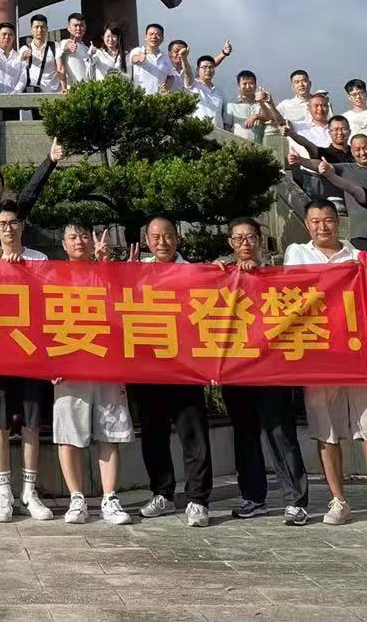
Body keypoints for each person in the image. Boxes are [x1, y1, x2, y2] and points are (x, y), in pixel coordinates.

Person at [283, 200, 367, 530]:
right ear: (307, 224)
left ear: (338, 222)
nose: (322, 226)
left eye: (328, 220)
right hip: (317, 355)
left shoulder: (360, 259)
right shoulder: (297, 254)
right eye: (315, 221)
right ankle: (338, 500)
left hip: (358, 355)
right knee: (325, 431)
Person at [221, 217, 310, 525]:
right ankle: (253, 496)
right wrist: (221, 273)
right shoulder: (220, 276)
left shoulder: (276, 274)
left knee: (280, 432)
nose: (245, 243)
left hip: (271, 368)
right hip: (235, 367)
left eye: (250, 238)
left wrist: (259, 276)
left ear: (259, 241)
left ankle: (295, 499)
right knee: (245, 435)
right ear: (231, 244)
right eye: (238, 239)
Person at [132, 216, 213, 526]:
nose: (161, 242)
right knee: (153, 435)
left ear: (177, 239)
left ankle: (197, 499)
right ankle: (162, 494)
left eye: (167, 236)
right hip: (149, 367)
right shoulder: (138, 273)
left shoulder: (195, 273)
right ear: (147, 241)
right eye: (155, 237)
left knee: (194, 435)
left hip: (186, 367)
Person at [53, 221, 135, 525]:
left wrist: (105, 264)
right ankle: (76, 499)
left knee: (108, 432)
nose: (79, 242)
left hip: (106, 364)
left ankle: (109, 497)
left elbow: (121, 307)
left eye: (84, 236)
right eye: (72, 237)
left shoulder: (106, 272)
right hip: (68, 365)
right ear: (62, 244)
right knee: (68, 434)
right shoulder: (53, 276)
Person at [0, 200, 54, 522]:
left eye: (14, 222)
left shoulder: (39, 259)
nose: (9, 228)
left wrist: (23, 270)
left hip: (31, 353)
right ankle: (4, 493)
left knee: (31, 422)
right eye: (3, 223)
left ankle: (29, 490)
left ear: (21, 226)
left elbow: (47, 302)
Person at [221, 71, 268, 142]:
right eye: (244, 83)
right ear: (238, 85)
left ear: (256, 85)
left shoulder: (262, 102)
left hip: (260, 148)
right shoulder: (231, 104)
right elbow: (226, 128)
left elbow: (273, 118)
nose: (248, 86)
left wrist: (256, 116)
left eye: (251, 83)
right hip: (238, 148)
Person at [128, 23, 176, 94]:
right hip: (141, 98)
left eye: (158, 34)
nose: (154, 37)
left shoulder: (165, 57)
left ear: (162, 38)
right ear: (145, 37)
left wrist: (167, 85)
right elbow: (133, 59)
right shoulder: (138, 51)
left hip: (160, 98)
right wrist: (139, 57)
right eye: (151, 34)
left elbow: (171, 76)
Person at [19, 14, 61, 93]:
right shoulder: (24, 49)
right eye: (36, 27)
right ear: (31, 30)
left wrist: (64, 87)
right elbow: (18, 70)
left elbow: (60, 68)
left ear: (47, 29)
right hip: (33, 93)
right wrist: (23, 58)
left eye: (42, 27)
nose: (39, 30)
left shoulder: (55, 46)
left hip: (53, 92)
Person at [0, 21, 26, 93]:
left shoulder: (19, 57)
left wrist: (15, 93)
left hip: (13, 98)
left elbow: (23, 78)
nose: (7, 37)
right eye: (4, 34)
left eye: (10, 35)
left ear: (14, 37)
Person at [57, 13, 96, 87]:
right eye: (75, 25)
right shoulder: (63, 43)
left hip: (87, 90)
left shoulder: (86, 49)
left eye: (81, 25)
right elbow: (66, 46)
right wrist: (70, 46)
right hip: (72, 91)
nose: (78, 28)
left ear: (85, 27)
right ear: (68, 28)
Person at [185, 54, 225, 124]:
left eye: (211, 67)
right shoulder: (193, 85)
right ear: (198, 69)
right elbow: (187, 73)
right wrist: (184, 58)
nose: (208, 70)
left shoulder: (218, 91)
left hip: (217, 132)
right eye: (204, 67)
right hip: (198, 129)